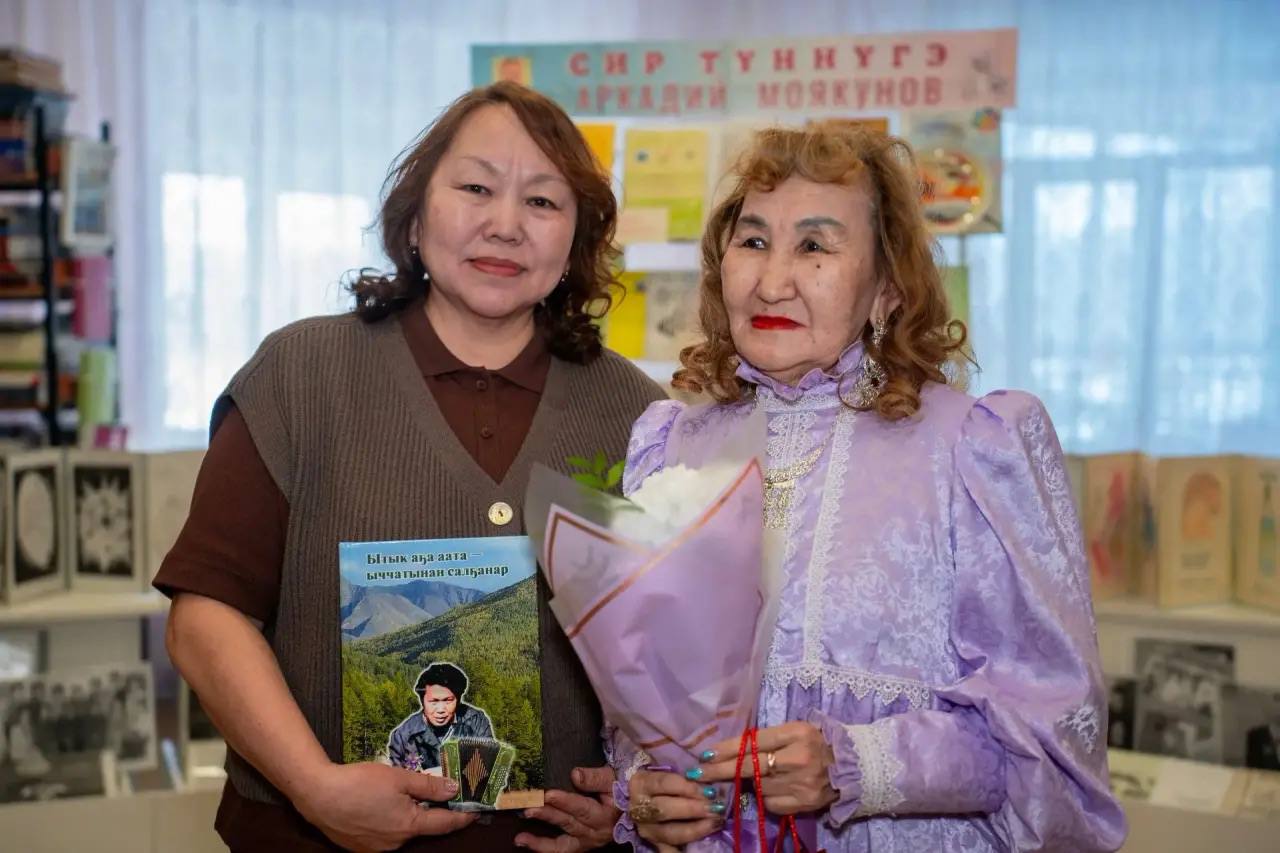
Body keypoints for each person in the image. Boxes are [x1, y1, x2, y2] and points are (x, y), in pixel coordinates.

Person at [156, 80, 664, 853]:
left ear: (577, 238)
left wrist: (628, 800)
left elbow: (667, 659)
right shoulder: (301, 375)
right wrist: (315, 786)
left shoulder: (638, 414)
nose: (505, 224)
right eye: (475, 188)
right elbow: (206, 617)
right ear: (416, 213)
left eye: (542, 201)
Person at [612, 124, 1127, 851]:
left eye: (814, 247)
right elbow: (632, 696)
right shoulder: (669, 445)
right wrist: (641, 783)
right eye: (753, 241)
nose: (771, 281)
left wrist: (866, 764)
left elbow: (1052, 739)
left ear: (886, 288)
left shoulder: (971, 448)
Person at [387, 663, 493, 772]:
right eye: (433, 702)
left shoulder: (476, 722)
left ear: (458, 700)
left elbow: (489, 765)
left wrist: (446, 773)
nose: (441, 709)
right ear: (422, 701)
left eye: (448, 701)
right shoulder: (403, 735)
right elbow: (397, 777)